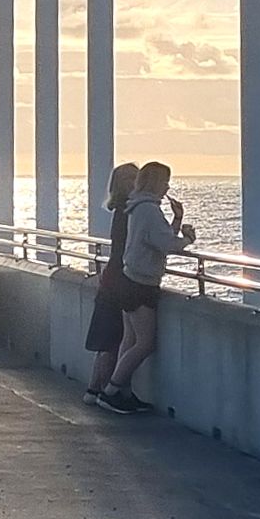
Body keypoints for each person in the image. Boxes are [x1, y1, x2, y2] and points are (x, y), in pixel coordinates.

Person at [96, 161, 194, 413]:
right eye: (164, 181)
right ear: (154, 183)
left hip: (129, 280)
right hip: (141, 284)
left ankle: (123, 394)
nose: (167, 187)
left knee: (129, 340)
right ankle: (111, 391)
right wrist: (188, 239)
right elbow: (166, 244)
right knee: (145, 343)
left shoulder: (135, 208)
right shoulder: (149, 210)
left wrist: (176, 220)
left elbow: (155, 236)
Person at [81, 162, 140, 399]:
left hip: (111, 278)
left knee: (110, 340)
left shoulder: (121, 210)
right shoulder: (130, 210)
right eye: (130, 179)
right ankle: (100, 390)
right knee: (112, 340)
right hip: (118, 280)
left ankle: (97, 390)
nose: (135, 182)